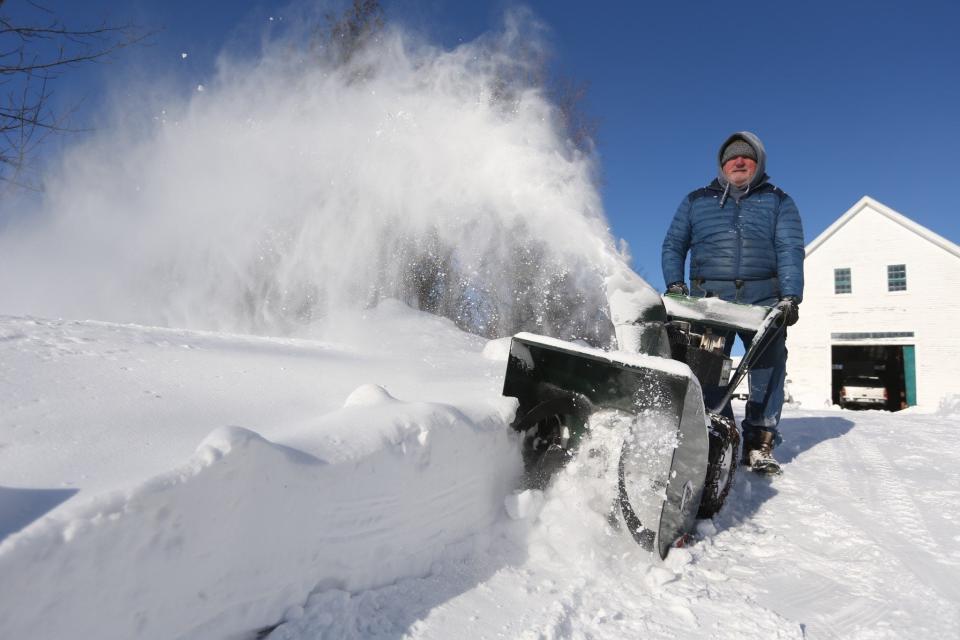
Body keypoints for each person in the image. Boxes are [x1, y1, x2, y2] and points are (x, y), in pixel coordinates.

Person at [661, 131, 804, 475]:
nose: (738, 162)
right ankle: (714, 433)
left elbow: (790, 250)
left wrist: (790, 297)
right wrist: (676, 285)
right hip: (711, 300)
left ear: (759, 163)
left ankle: (760, 443)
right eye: (731, 158)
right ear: (722, 165)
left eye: (746, 157)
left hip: (763, 300)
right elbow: (674, 244)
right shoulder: (697, 201)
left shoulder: (778, 201)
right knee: (707, 366)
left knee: (768, 367)